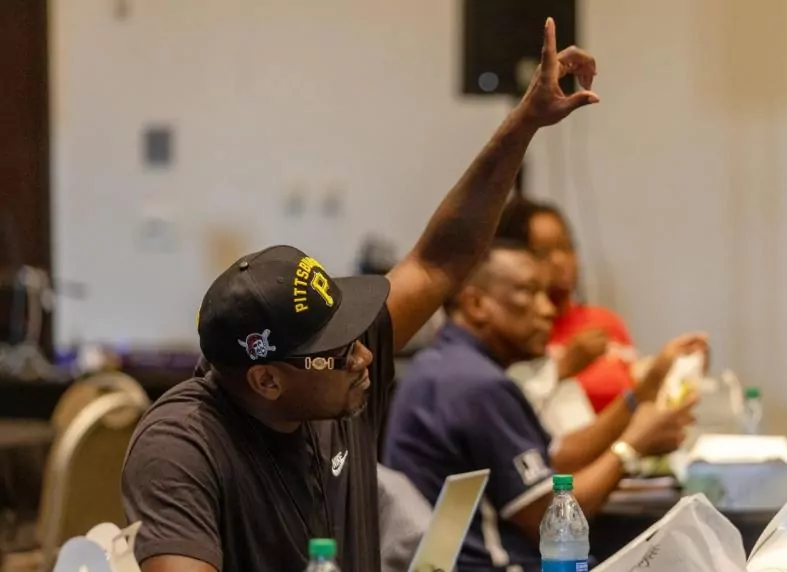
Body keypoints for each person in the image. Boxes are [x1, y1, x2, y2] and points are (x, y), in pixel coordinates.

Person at [121, 18, 599, 572]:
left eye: (354, 332)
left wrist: (524, 123)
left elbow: (440, 260)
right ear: (267, 380)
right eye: (343, 350)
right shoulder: (181, 447)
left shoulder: (327, 371)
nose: (366, 355)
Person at [382, 242, 703, 571]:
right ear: (476, 304)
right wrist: (631, 448)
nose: (548, 310)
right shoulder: (476, 385)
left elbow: (554, 458)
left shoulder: (445, 365)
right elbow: (550, 519)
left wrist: (640, 395)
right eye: (529, 292)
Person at [496, 197, 705, 413]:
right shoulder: (522, 335)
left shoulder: (605, 321)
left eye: (566, 246)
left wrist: (678, 370)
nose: (560, 260)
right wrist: (562, 368)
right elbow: (513, 411)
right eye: (543, 252)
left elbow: (639, 394)